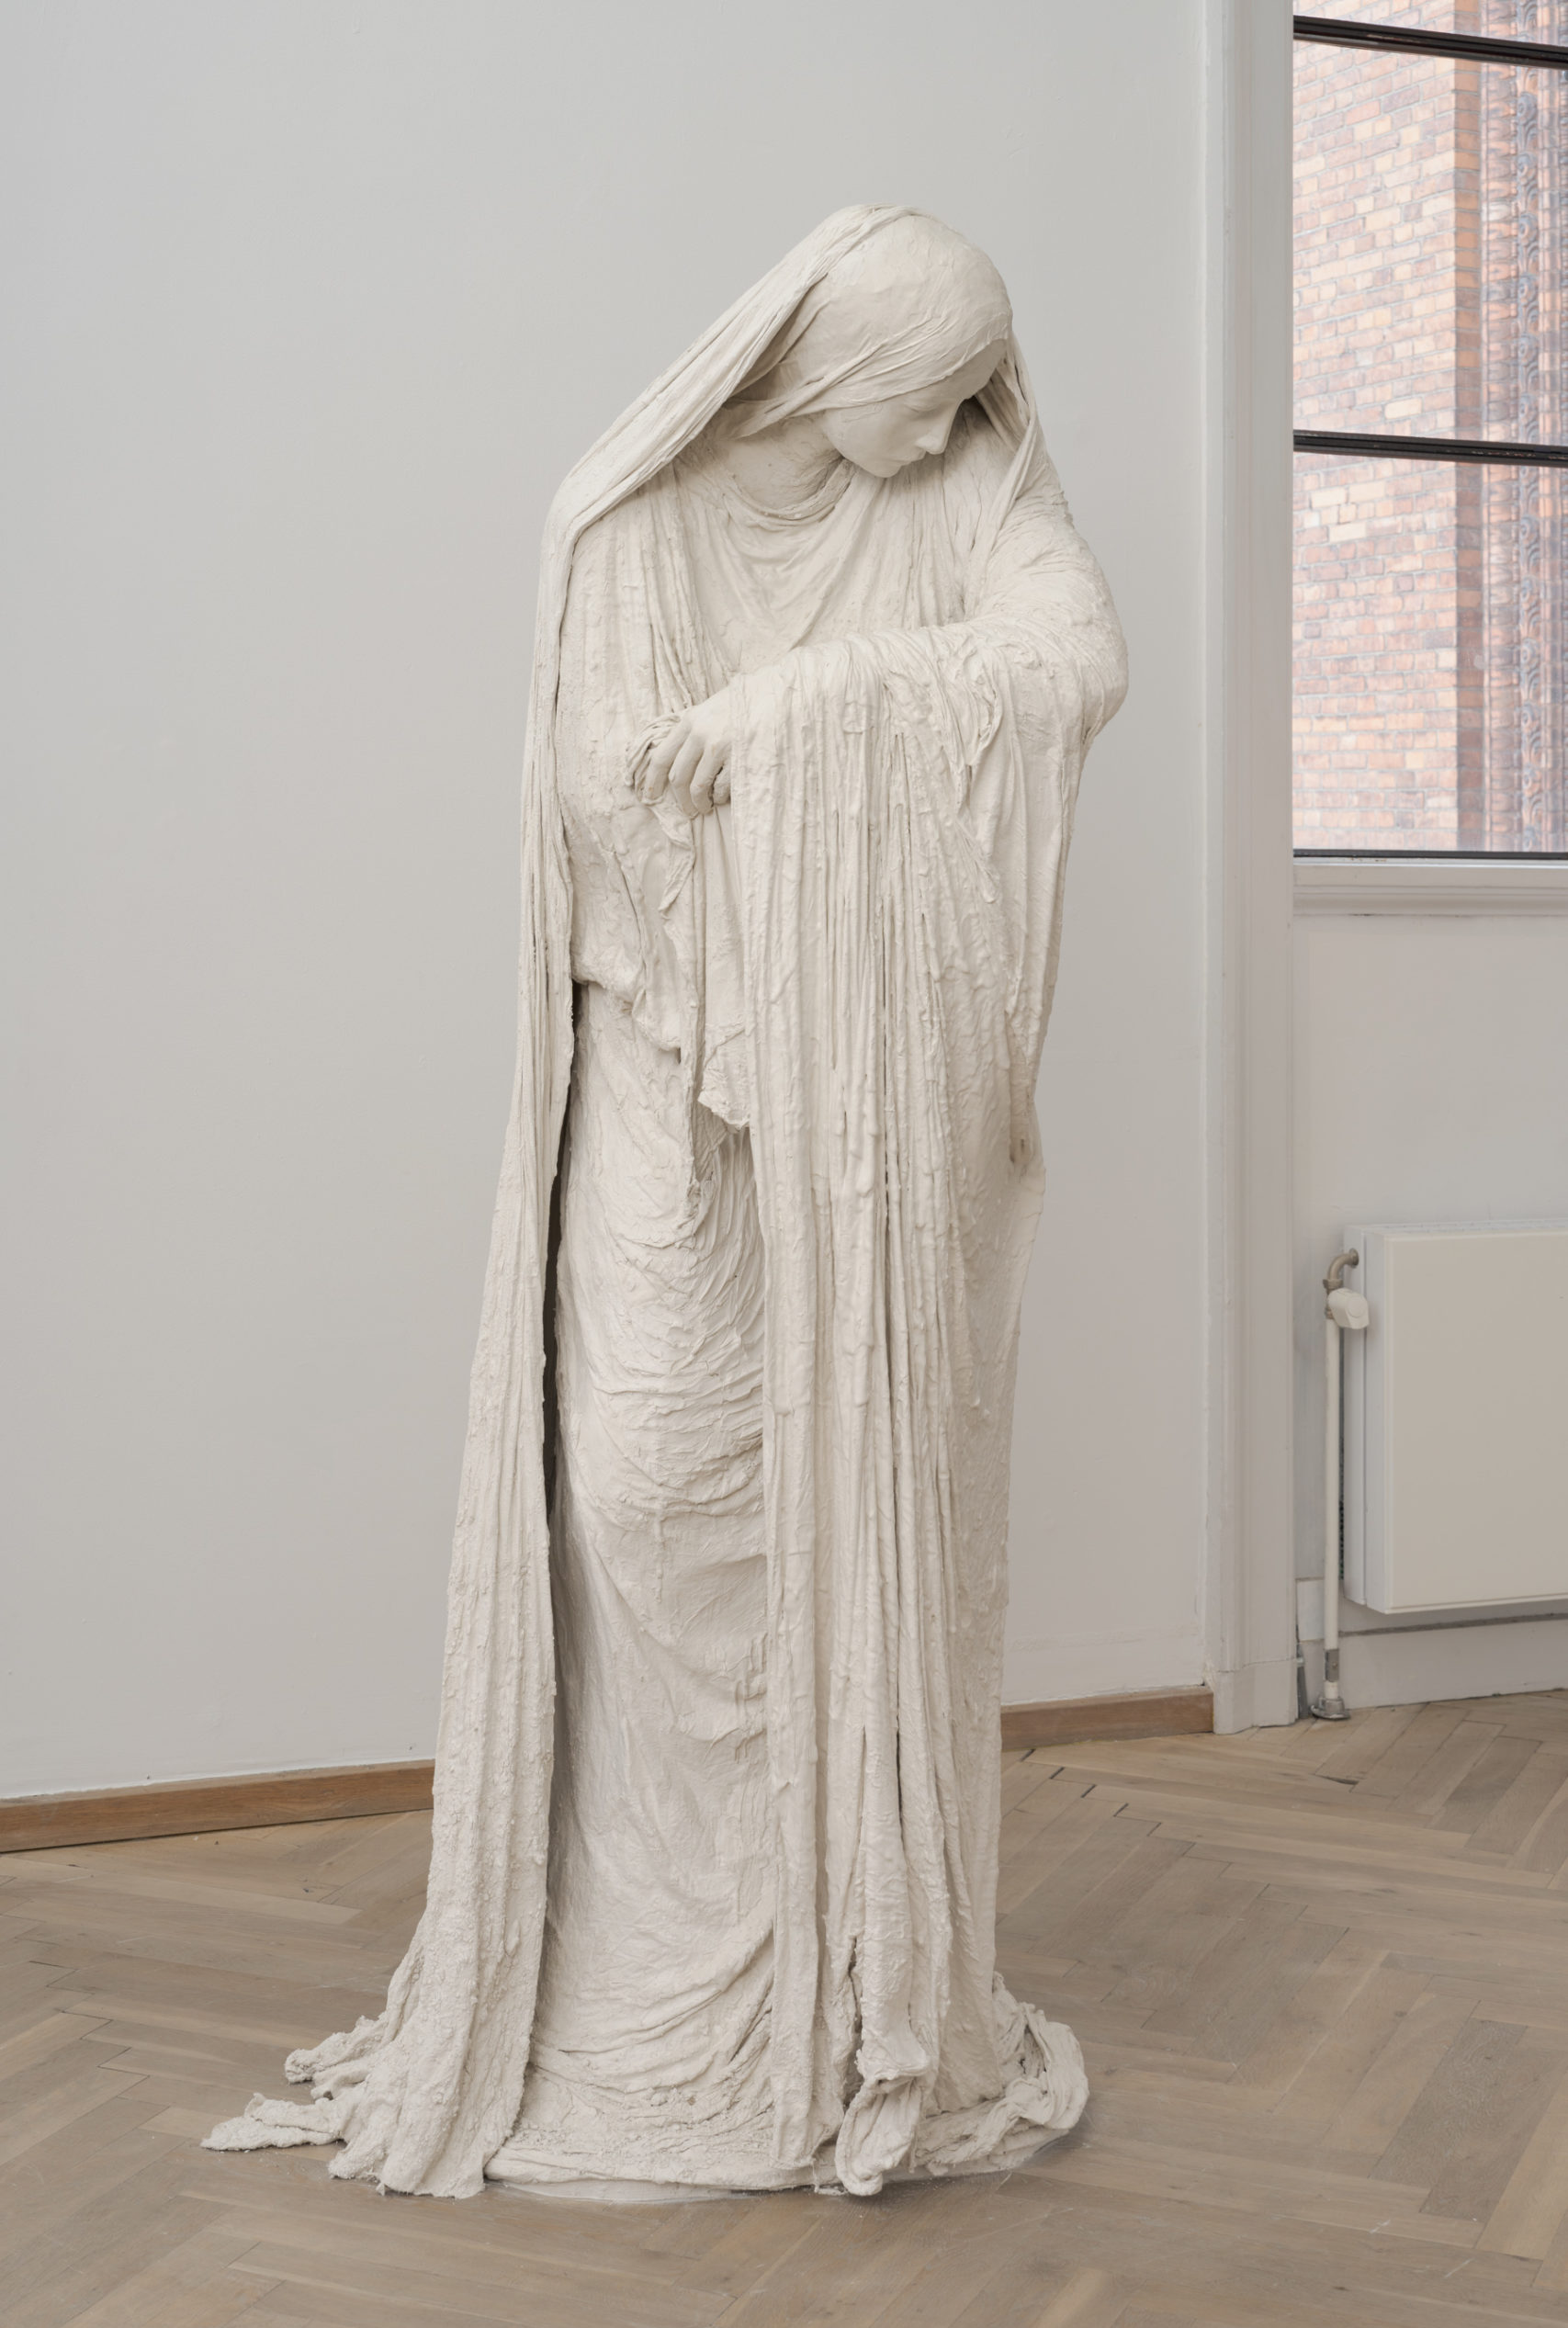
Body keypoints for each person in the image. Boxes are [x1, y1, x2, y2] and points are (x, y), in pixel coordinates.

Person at [209, 205, 1127, 2201]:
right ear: (834, 364)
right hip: (673, 1063)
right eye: (926, 389)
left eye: (973, 392)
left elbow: (1074, 660)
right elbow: (600, 811)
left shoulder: (968, 480)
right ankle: (630, 1957)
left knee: (842, 1502)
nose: (958, 423)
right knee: (642, 1483)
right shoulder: (624, 523)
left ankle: (836, 1964)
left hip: (856, 1109)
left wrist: (800, 716)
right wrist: (743, 952)